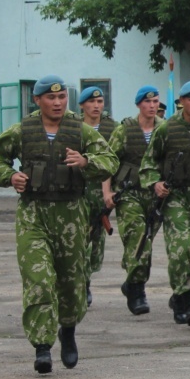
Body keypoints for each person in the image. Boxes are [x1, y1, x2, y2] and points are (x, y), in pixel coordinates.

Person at [0, 76, 117, 373]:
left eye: (62, 98)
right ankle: (42, 346)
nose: (57, 103)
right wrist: (10, 177)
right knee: (39, 279)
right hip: (34, 214)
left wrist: (85, 163)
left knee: (71, 281)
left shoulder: (78, 131)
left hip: (71, 214)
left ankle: (67, 331)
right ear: (37, 101)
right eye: (50, 98)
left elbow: (110, 160)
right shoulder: (22, 131)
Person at [139, 81, 190, 325]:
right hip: (175, 196)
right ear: (182, 101)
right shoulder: (167, 129)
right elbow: (149, 163)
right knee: (181, 246)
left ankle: (182, 294)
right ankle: (186, 297)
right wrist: (156, 183)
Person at [104, 86, 162, 314]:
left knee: (145, 242)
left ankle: (130, 282)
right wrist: (107, 193)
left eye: (155, 102)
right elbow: (109, 162)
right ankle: (137, 291)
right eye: (147, 102)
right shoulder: (124, 130)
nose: (152, 106)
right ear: (139, 104)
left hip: (155, 195)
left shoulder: (165, 129)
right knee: (138, 238)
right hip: (129, 193)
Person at [77, 86, 116, 305]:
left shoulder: (112, 128)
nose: (96, 106)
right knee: (80, 240)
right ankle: (82, 284)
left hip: (103, 192)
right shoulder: (75, 129)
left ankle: (87, 277)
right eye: (91, 102)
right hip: (81, 190)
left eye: (100, 102)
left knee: (97, 242)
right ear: (82, 105)